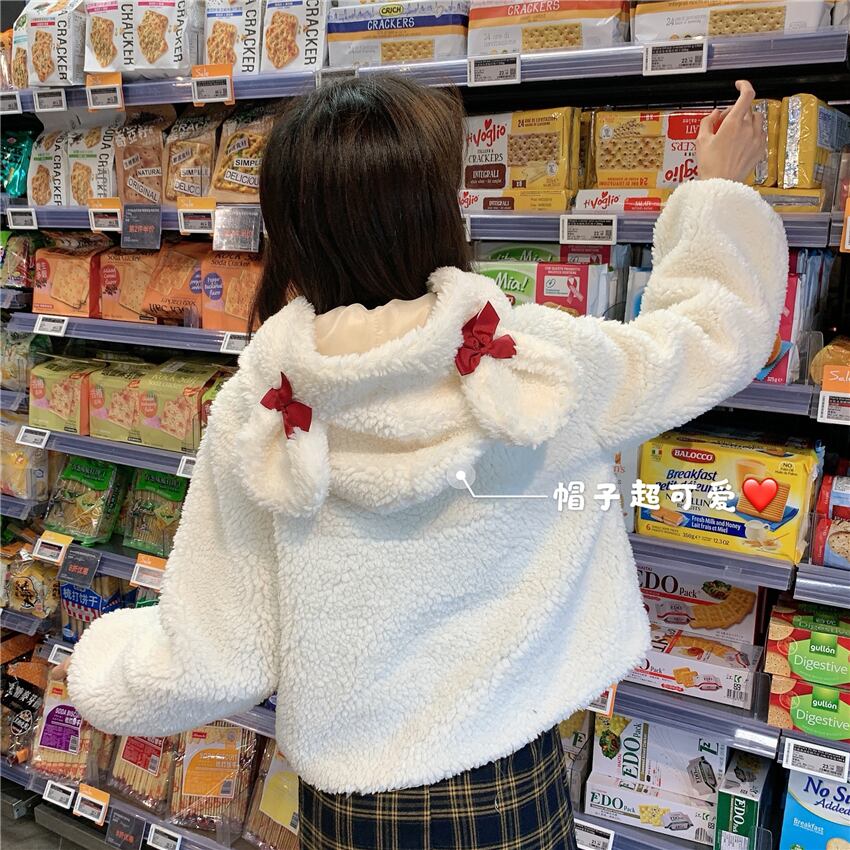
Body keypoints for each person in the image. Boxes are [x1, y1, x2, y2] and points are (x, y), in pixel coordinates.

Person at [61, 76, 784, 850]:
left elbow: (217, 654)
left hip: (355, 802)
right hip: (513, 777)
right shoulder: (532, 364)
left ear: (291, 229)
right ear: (438, 213)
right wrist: (715, 191)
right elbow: (707, 338)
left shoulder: (263, 406)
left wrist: (102, 665)